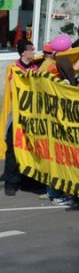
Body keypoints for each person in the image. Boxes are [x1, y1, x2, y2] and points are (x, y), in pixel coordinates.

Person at [4, 39, 38, 196]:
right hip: (17, 115)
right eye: (31, 49)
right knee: (12, 147)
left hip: (33, 115)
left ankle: (29, 180)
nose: (34, 51)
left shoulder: (36, 68)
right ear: (23, 52)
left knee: (32, 148)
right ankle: (11, 182)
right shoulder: (13, 69)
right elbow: (13, 89)